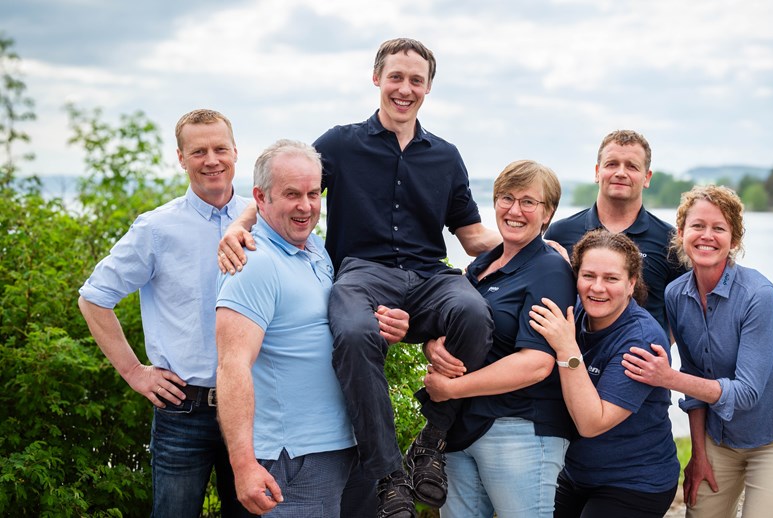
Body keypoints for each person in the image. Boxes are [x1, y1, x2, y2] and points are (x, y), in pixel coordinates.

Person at [218, 38, 500, 518]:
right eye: (396, 77)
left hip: (429, 274)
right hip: (361, 274)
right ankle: (388, 474)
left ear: (428, 87)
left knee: (474, 311)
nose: (404, 88)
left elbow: (472, 236)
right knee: (351, 330)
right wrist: (239, 226)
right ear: (377, 79)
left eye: (416, 80)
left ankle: (431, 440)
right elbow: (291, 182)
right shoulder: (340, 143)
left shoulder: (446, 156)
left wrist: (538, 247)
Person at [215, 140, 408, 516]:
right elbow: (231, 366)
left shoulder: (316, 250)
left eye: (313, 194)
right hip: (296, 459)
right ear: (261, 198)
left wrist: (387, 325)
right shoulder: (254, 264)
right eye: (291, 195)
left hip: (348, 446)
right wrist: (243, 466)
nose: (305, 206)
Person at [77, 109, 253, 517]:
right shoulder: (156, 229)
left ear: (235, 152)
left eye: (219, 148)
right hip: (182, 413)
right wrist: (135, 372)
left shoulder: (262, 221)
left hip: (251, 408)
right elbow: (93, 298)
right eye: (198, 151)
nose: (211, 159)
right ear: (180, 158)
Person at [622, 185, 773, 517]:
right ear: (681, 233)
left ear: (734, 240)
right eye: (697, 226)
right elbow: (696, 374)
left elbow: (746, 392)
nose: (706, 236)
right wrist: (699, 456)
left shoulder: (759, 296)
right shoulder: (675, 294)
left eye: (719, 228)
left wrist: (667, 377)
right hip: (720, 438)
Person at [422, 160, 576, 518]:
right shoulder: (480, 266)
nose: (515, 210)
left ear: (548, 212)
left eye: (528, 201)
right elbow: (452, 324)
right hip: (463, 430)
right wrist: (432, 345)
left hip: (519, 431)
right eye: (506, 198)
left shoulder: (550, 269)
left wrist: (452, 390)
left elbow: (536, 363)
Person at [529, 229, 679, 518]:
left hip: (636, 482)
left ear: (631, 283)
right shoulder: (576, 313)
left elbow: (591, 423)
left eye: (611, 279)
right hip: (575, 473)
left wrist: (567, 349)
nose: (597, 288)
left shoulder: (641, 340)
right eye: (588, 276)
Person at [544, 130, 684, 334]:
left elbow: (681, 315)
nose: (620, 172)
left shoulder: (670, 241)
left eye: (632, 166)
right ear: (597, 172)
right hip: (573, 358)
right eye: (611, 164)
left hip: (640, 361)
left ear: (647, 177)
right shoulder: (560, 233)